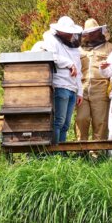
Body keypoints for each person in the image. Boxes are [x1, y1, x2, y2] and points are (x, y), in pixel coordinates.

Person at [42, 16, 83, 145]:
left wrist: (80, 91)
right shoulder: (51, 39)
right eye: (68, 32)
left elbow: (79, 70)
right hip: (60, 85)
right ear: (60, 31)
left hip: (72, 88)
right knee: (58, 121)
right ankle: (55, 151)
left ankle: (62, 151)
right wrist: (69, 63)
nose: (71, 35)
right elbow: (52, 56)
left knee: (66, 123)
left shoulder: (74, 47)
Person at [75, 18, 112, 143]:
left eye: (94, 31)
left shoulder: (110, 48)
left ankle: (97, 152)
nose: (91, 35)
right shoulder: (78, 50)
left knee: (100, 121)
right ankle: (81, 150)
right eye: (88, 32)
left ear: (99, 31)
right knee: (82, 118)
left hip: (101, 89)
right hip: (82, 89)